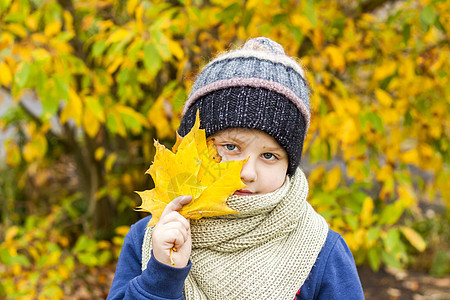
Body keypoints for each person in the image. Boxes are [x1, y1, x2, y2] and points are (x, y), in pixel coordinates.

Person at [107, 37, 364, 299]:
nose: (247, 173)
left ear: (290, 165)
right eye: (230, 147)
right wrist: (161, 276)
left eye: (269, 155)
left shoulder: (319, 251)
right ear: (192, 147)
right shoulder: (152, 237)